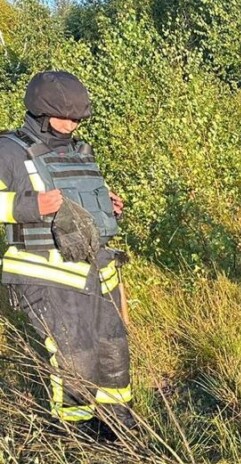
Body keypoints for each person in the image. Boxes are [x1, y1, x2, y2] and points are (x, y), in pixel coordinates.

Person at [0, 71, 136, 439]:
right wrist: (28, 205)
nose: (72, 125)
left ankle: (115, 426)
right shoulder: (8, 149)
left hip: (97, 271)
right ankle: (72, 436)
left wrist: (104, 207)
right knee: (74, 354)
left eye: (78, 119)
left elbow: (76, 200)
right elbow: (28, 203)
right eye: (66, 117)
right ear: (41, 112)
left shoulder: (79, 151)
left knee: (112, 349)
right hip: (45, 273)